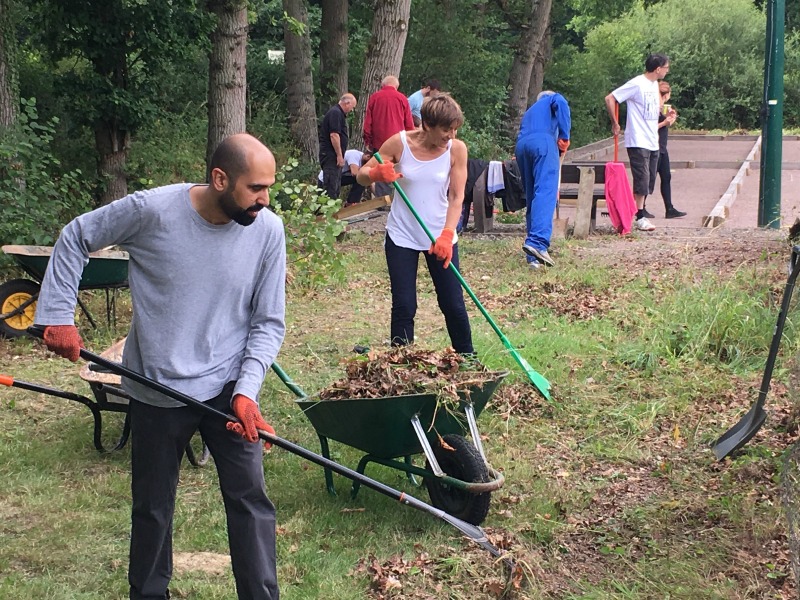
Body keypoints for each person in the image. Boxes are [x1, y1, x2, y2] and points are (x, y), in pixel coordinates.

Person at [34, 133, 286, 600]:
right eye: (255, 188)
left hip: (227, 388)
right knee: (152, 509)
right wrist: (56, 314)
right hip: (154, 386)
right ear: (219, 179)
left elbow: (268, 322)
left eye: (268, 188)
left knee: (251, 502)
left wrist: (247, 391)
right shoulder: (152, 211)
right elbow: (76, 236)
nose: (264, 200)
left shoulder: (267, 230)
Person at [356, 94, 473, 355]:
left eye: (455, 129)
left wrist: (446, 235)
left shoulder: (456, 149)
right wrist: (375, 173)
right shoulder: (400, 143)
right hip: (402, 236)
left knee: (452, 303)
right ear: (427, 125)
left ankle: (467, 358)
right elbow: (361, 176)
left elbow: (457, 197)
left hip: (440, 236)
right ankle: (401, 363)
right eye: (446, 129)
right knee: (404, 305)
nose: (451, 135)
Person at [604, 53, 671, 232]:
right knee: (642, 178)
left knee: (649, 179)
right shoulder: (637, 83)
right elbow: (611, 98)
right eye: (666, 67)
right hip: (638, 139)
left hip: (652, 139)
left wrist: (666, 117)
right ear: (658, 69)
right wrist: (615, 123)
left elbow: (652, 110)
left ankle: (637, 211)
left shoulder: (655, 85)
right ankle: (640, 216)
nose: (667, 70)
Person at [515, 90, 571, 270]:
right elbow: (561, 101)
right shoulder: (551, 99)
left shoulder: (531, 110)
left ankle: (533, 257)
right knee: (546, 193)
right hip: (543, 143)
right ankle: (538, 243)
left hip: (522, 147)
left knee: (533, 196)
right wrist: (564, 136)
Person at [319, 93, 358, 201]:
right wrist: (339, 155)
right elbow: (334, 135)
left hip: (333, 156)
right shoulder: (335, 113)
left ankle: (333, 211)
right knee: (331, 186)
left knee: (335, 185)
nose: (351, 110)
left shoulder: (338, 113)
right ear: (347, 103)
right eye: (352, 107)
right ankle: (327, 213)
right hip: (331, 156)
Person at [656, 81, 686, 218]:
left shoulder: (662, 107)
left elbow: (666, 123)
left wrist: (671, 117)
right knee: (649, 179)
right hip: (653, 147)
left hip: (662, 147)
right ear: (667, 94)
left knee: (666, 177)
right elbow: (652, 127)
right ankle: (640, 208)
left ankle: (669, 208)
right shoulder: (653, 107)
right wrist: (665, 122)